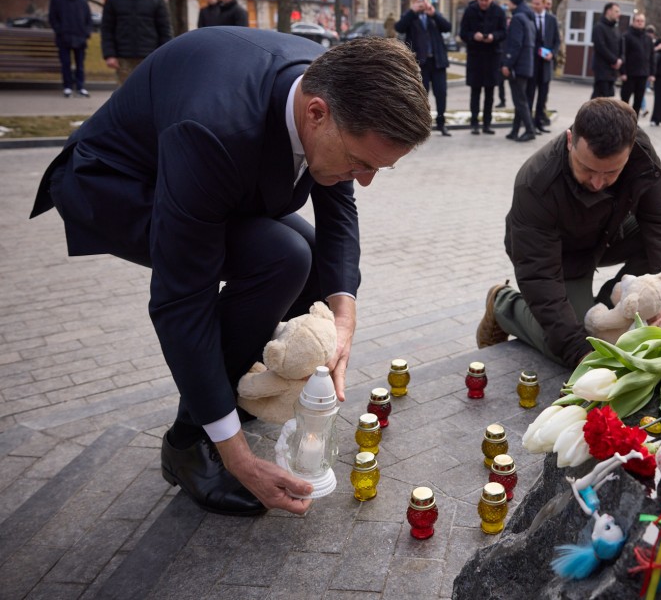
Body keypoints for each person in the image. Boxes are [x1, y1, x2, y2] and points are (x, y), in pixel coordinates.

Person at [29, 30, 431, 516]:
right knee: (282, 257)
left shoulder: (335, 89)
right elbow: (182, 300)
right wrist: (238, 457)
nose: (364, 180)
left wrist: (344, 316)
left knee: (309, 261)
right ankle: (188, 444)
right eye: (360, 163)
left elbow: (338, 214)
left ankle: (234, 394)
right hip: (119, 183)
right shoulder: (214, 130)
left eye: (378, 170)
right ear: (316, 114)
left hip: (207, 170)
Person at [476, 98, 661, 368]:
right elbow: (539, 276)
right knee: (573, 343)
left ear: (630, 150)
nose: (597, 182)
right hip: (557, 257)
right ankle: (504, 304)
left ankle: (608, 307)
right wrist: (578, 351)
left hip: (606, 236)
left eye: (612, 172)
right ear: (570, 140)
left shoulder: (640, 151)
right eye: (587, 169)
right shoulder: (536, 183)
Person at [101, 0, 172, 85]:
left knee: (149, 90)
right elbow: (107, 28)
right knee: (125, 92)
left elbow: (164, 30)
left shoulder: (155, 0)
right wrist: (109, 54)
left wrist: (164, 55)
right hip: (123, 58)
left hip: (150, 56)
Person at [395, 0, 452, 136]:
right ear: (412, 0)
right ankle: (422, 125)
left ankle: (441, 123)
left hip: (438, 62)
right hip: (421, 63)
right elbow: (399, 27)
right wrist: (412, 11)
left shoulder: (433, 14)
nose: (421, 1)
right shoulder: (410, 16)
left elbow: (447, 27)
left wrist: (434, 14)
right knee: (421, 95)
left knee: (441, 93)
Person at [458, 0, 507, 135]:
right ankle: (474, 123)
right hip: (476, 56)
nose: (483, 3)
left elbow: (504, 32)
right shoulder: (470, 10)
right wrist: (473, 36)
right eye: (481, 0)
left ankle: (487, 124)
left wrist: (493, 36)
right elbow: (463, 33)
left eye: (486, 0)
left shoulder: (499, 11)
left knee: (490, 93)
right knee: (475, 92)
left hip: (492, 57)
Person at [48, 0, 93, 98]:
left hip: (80, 38)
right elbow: (52, 18)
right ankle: (67, 87)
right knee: (66, 63)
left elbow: (88, 19)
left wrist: (86, 32)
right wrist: (60, 31)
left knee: (80, 65)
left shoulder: (82, 1)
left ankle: (80, 87)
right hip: (64, 38)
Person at [501, 0, 537, 142]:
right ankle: (515, 130)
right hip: (527, 65)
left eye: (509, 1)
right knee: (520, 99)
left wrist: (507, 64)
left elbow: (515, 44)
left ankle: (530, 130)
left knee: (520, 100)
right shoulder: (529, 18)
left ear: (514, 3)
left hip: (518, 66)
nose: (508, 4)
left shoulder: (517, 18)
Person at [529, 0, 560, 131]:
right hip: (532, 63)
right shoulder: (529, 17)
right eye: (533, 3)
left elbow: (557, 41)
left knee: (542, 96)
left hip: (546, 64)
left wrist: (552, 54)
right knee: (530, 95)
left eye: (537, 4)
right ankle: (529, 124)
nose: (534, 6)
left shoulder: (551, 20)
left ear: (543, 4)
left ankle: (539, 122)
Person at [619, 12, 654, 118]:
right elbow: (622, 54)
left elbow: (652, 57)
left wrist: (652, 73)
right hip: (629, 74)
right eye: (637, 21)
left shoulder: (648, 38)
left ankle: (634, 122)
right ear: (633, 22)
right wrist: (622, 72)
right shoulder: (626, 36)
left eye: (642, 21)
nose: (640, 23)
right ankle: (623, 121)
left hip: (643, 74)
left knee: (638, 100)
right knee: (625, 100)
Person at [591, 2, 623, 98]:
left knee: (608, 96)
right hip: (602, 69)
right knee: (600, 96)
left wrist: (620, 60)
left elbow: (620, 46)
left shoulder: (615, 29)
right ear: (608, 11)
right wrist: (614, 60)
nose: (619, 14)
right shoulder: (599, 27)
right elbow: (601, 47)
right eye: (616, 11)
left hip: (612, 70)